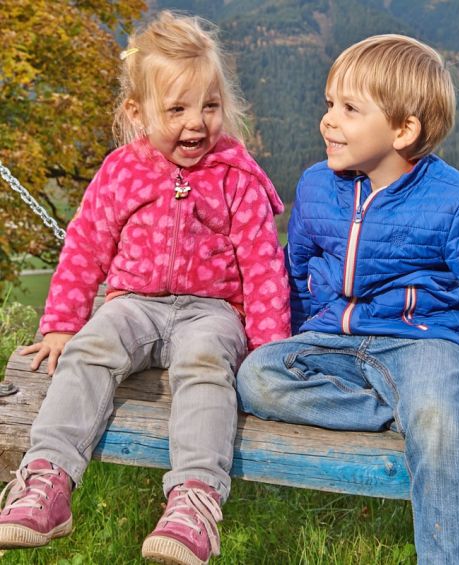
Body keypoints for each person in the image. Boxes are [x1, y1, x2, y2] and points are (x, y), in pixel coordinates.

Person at [236, 34, 459, 564]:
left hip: (422, 344)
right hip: (332, 338)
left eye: (349, 109)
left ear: (403, 129)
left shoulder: (458, 204)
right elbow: (294, 273)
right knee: (256, 377)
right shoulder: (318, 185)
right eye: (329, 105)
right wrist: (283, 336)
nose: (328, 120)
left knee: (436, 416)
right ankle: (424, 414)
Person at [0, 11, 290, 565]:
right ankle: (47, 480)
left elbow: (262, 264)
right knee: (88, 349)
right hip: (132, 305)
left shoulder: (237, 177)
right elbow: (85, 246)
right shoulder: (121, 172)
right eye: (176, 109)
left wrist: (268, 348)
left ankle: (194, 502)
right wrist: (62, 323)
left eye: (209, 106)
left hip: (212, 312)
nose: (196, 123)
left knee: (204, 364)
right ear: (137, 112)